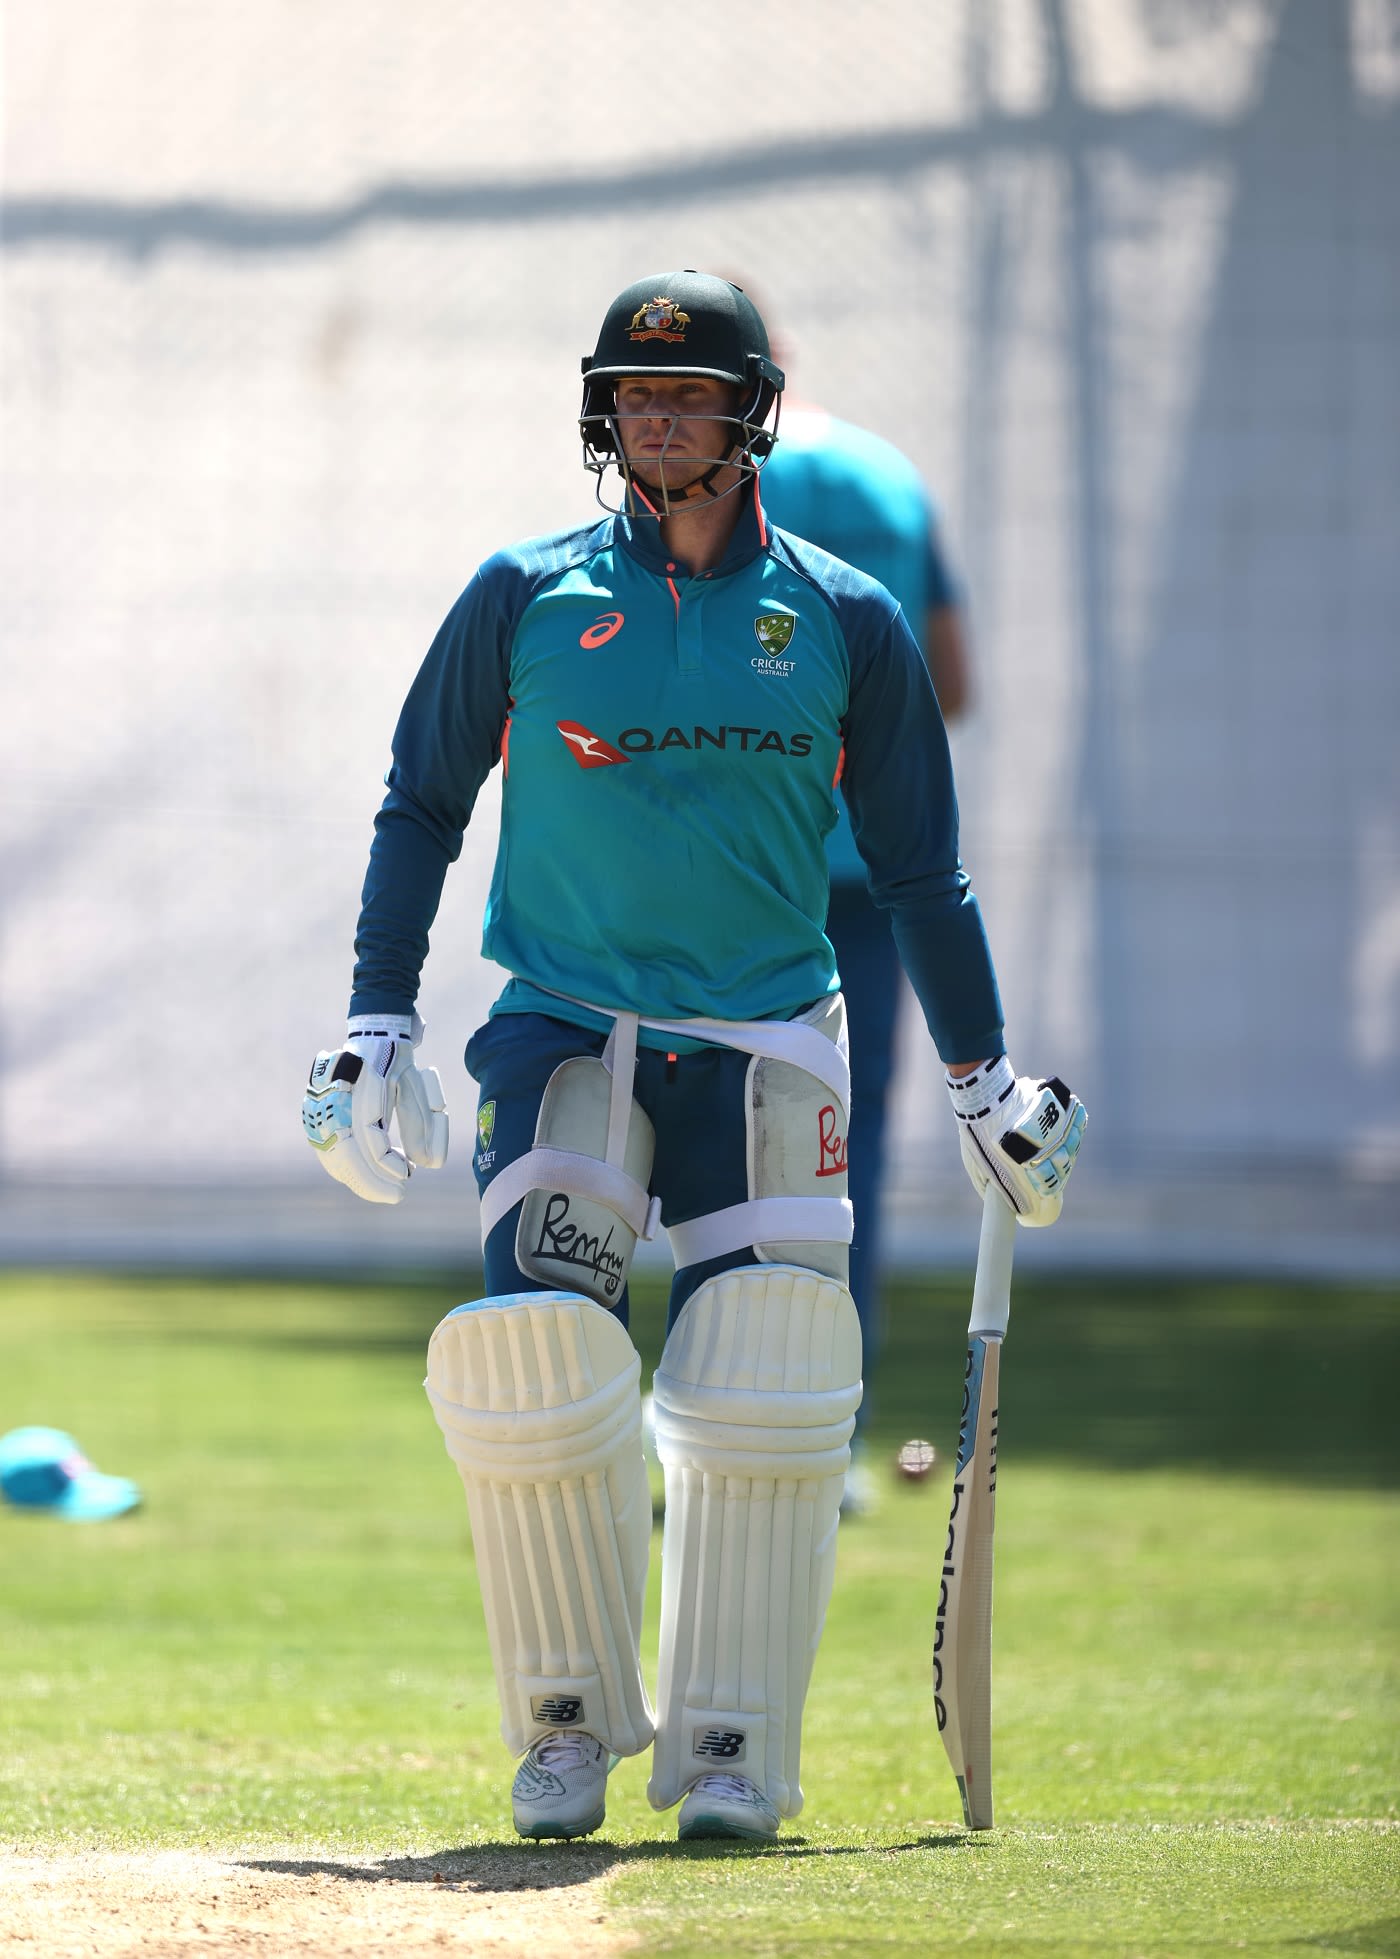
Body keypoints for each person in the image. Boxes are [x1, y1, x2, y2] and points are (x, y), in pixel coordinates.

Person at [301, 270, 1085, 1847]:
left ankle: (734, 1745)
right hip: (567, 1017)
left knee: (772, 1377)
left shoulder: (847, 620)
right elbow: (419, 803)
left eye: (687, 394)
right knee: (538, 1355)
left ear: (750, 415)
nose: (655, 417)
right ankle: (566, 1731)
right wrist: (378, 1017)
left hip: (765, 1029)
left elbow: (926, 874)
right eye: (632, 395)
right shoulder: (522, 592)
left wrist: (985, 1076)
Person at [758, 368, 972, 1509]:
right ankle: (829, 1427)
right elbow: (955, 682)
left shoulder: (716, 472)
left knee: (712, 1139)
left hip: (744, 870)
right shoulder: (890, 477)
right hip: (875, 868)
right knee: (851, 1159)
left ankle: (718, 1407)